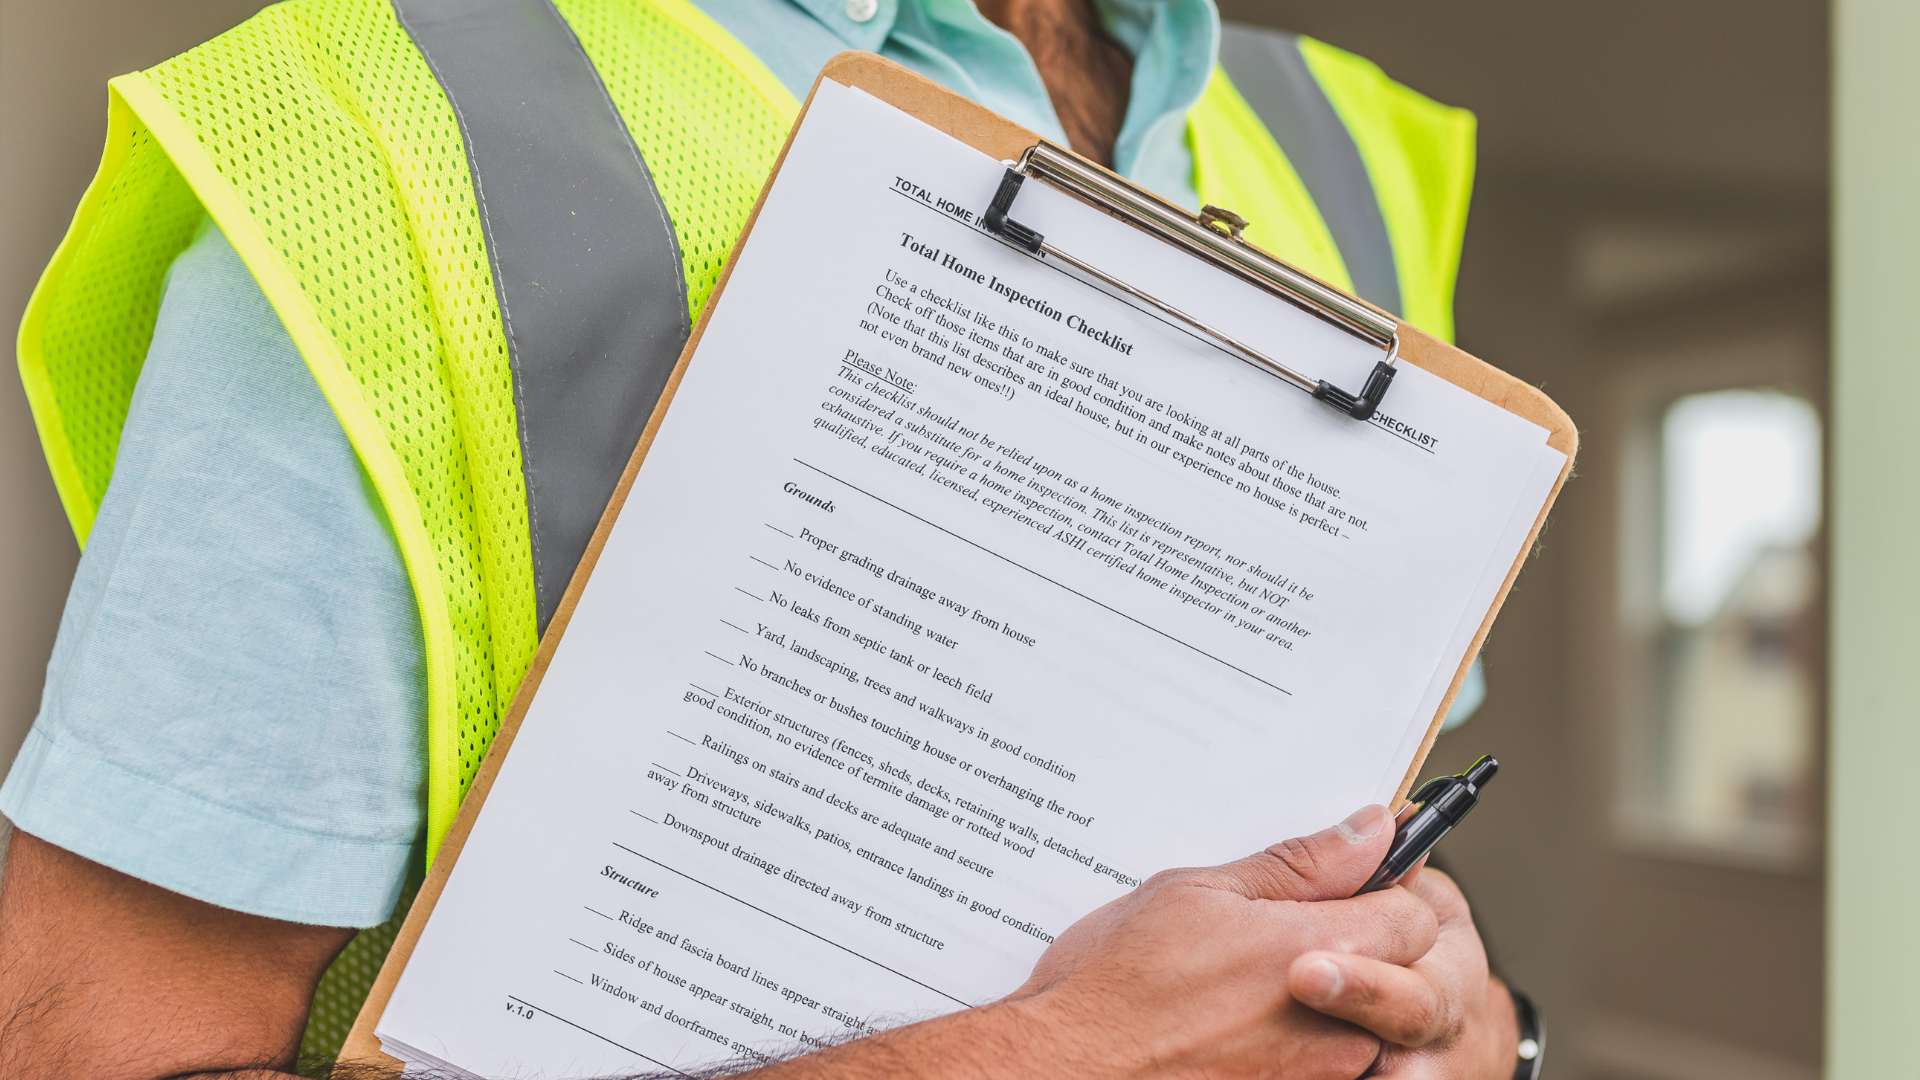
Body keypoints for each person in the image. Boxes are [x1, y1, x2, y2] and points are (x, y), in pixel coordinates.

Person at [0, 0, 1518, 1073]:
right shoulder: (381, 144)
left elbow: (1342, 878)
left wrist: (1452, 1027)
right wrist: (1045, 1061)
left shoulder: (1332, 146)